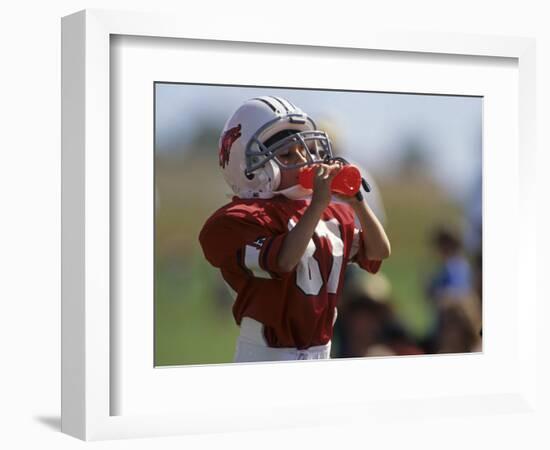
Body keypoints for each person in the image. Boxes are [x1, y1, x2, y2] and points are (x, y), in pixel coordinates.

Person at [198, 96, 391, 362]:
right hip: (267, 359)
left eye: (306, 150)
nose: (305, 160)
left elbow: (380, 251)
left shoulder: (332, 214)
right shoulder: (237, 219)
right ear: (252, 169)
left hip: (322, 354)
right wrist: (317, 206)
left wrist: (357, 203)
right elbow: (285, 260)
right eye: (289, 154)